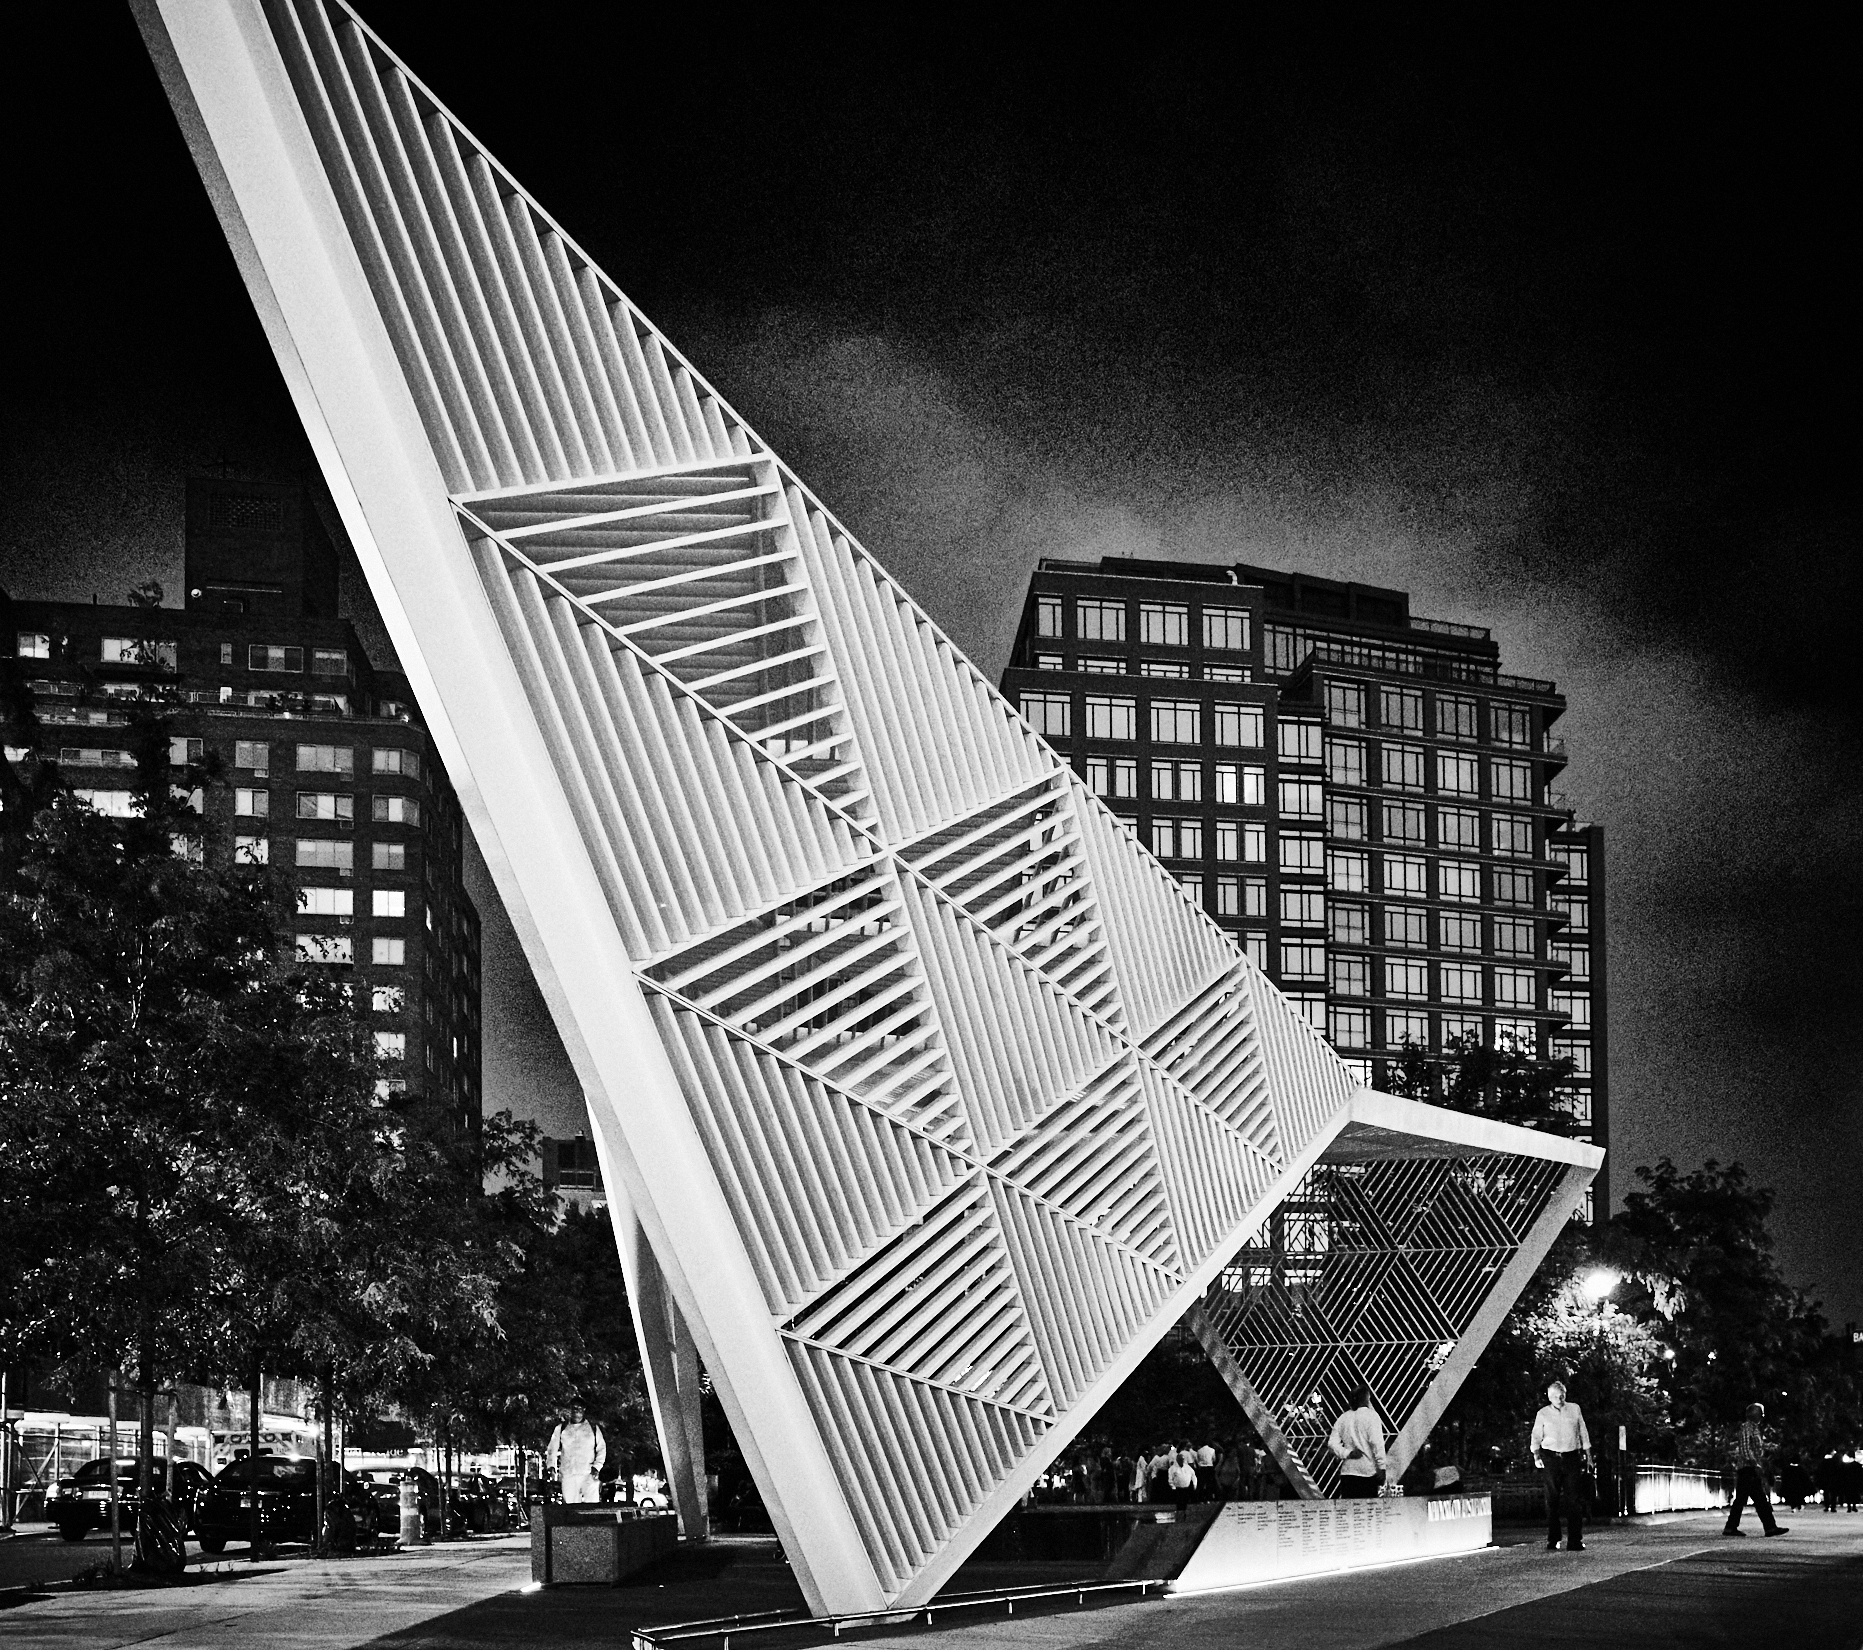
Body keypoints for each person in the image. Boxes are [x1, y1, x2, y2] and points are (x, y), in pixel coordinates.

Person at [1529, 1380, 1592, 1551]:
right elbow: (1536, 1435)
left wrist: (1588, 1456)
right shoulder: (1543, 1413)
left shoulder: (1574, 1409)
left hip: (1571, 1456)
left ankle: (1575, 1540)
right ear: (1549, 1397)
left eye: (1562, 1394)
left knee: (1574, 1499)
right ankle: (1553, 1538)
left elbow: (1582, 1431)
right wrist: (1536, 1454)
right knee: (1552, 1499)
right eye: (1556, 1396)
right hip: (1551, 1457)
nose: (1560, 1398)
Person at [1724, 1402, 1788, 1537]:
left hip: (1750, 1468)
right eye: (1761, 1413)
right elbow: (1745, 1448)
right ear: (1754, 1414)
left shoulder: (1754, 1429)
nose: (1763, 1416)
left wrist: (1767, 1447)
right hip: (1748, 1468)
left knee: (1755, 1499)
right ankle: (1768, 1527)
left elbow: (1754, 1446)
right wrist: (1754, 1463)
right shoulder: (1747, 1428)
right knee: (1751, 1499)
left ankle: (1768, 1527)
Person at [1327, 1385, 1387, 1499]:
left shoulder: (1343, 1418)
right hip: (1368, 1472)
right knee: (1368, 1512)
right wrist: (1382, 1466)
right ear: (1367, 1398)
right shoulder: (1372, 1416)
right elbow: (1377, 1443)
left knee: (1349, 1513)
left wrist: (1347, 1453)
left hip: (1348, 1473)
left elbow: (1332, 1443)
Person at [545, 1403, 607, 1505]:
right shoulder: (561, 1428)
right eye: (574, 1408)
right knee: (571, 1506)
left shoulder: (593, 1428)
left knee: (592, 1505)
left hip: (588, 1473)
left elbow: (601, 1448)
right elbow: (552, 1448)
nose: (576, 1411)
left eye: (579, 1408)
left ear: (584, 1409)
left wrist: (597, 1466)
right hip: (569, 1473)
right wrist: (551, 1465)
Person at [1167, 1448, 1198, 1514]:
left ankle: (1184, 1514)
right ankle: (1179, 1514)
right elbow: (1170, 1479)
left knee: (1185, 1502)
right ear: (1177, 1460)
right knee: (1179, 1503)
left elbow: (1193, 1476)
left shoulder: (1187, 1467)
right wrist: (1173, 1487)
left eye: (1182, 1459)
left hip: (1186, 1488)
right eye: (1180, 1460)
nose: (1182, 1461)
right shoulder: (1172, 1468)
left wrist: (1194, 1484)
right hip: (1178, 1489)